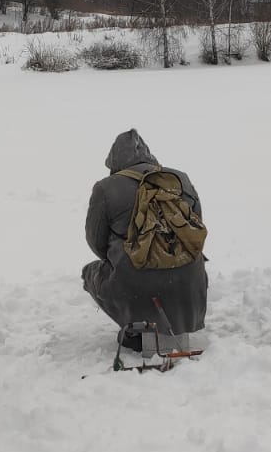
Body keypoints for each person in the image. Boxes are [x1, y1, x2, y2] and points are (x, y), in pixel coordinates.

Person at [82, 129, 207, 349]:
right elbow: (196, 230)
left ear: (113, 161)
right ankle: (175, 321)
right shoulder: (180, 179)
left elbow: (96, 242)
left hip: (133, 285)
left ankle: (137, 328)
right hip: (189, 284)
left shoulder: (105, 188)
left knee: (91, 272)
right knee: (181, 270)